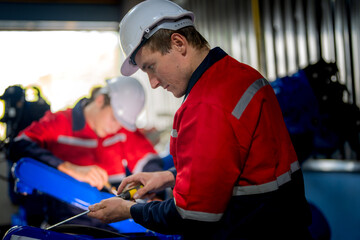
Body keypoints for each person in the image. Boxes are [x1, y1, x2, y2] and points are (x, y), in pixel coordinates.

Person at [88, 0, 312, 239]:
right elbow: (231, 162)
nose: (153, 83)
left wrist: (129, 210)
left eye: (151, 67)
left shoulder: (206, 104)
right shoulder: (241, 74)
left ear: (178, 43)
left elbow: (193, 216)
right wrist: (168, 177)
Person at [9, 76, 163, 228]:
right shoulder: (60, 122)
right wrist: (68, 168)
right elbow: (18, 145)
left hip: (119, 224)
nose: (117, 128)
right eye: (114, 119)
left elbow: (148, 160)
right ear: (100, 100)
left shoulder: (122, 130)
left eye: (122, 123)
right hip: (70, 226)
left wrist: (153, 193)